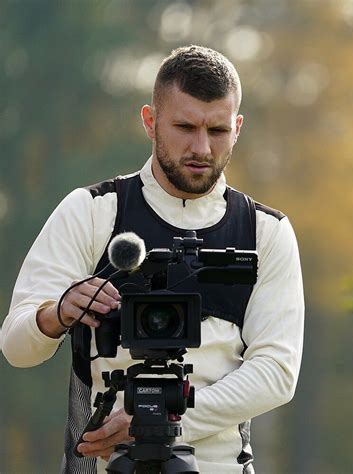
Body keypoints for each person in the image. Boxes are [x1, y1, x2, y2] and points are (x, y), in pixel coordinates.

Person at [2, 45, 304, 474]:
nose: (201, 147)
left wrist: (157, 423)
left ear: (237, 128)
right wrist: (57, 312)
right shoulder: (91, 210)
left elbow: (276, 373)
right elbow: (16, 348)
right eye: (184, 126)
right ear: (150, 121)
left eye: (217, 130)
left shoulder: (266, 231)